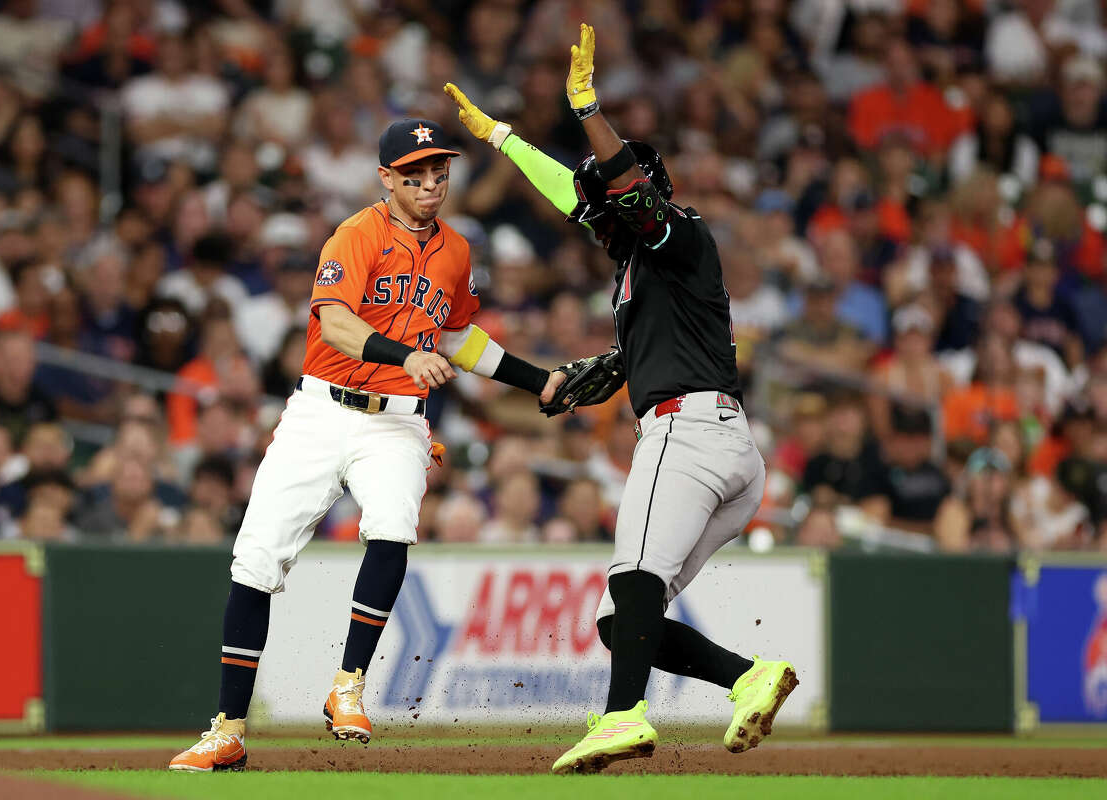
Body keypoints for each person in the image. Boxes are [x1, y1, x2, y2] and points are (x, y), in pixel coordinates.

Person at [447, 23, 796, 775]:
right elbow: (581, 198)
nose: (596, 206)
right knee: (624, 621)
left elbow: (630, 196)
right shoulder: (639, 264)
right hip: (723, 445)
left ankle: (621, 716)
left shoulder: (681, 235)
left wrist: (585, 109)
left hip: (687, 434)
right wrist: (504, 139)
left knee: (631, 580)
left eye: (608, 192)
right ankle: (749, 678)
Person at [169, 118, 556, 772]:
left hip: (397, 419)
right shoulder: (356, 234)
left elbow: (459, 336)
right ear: (387, 179)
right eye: (415, 174)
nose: (430, 184)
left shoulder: (457, 251)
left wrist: (537, 379)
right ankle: (229, 729)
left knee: (392, 526)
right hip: (322, 408)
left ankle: (347, 685)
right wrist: (407, 355)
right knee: (256, 561)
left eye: (438, 172)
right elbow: (337, 323)